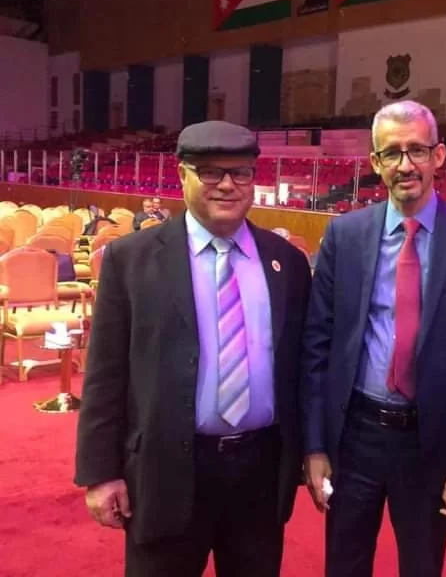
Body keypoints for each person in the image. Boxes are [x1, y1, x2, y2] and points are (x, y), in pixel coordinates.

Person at [75, 120, 311, 577]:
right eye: (210, 171)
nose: (227, 184)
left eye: (240, 172)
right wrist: (100, 472)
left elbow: (301, 367)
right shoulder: (132, 259)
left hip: (259, 473)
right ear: (182, 174)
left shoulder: (286, 262)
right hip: (166, 470)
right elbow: (105, 373)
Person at [303, 100, 446, 577]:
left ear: (439, 155)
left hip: (430, 442)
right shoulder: (345, 235)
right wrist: (314, 446)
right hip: (355, 436)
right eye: (391, 153)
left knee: (422, 566)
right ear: (375, 162)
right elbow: (317, 345)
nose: (405, 164)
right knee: (344, 566)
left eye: (417, 150)